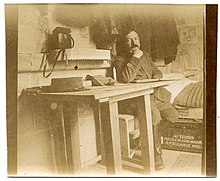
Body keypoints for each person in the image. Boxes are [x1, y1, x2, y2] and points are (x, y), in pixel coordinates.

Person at [114, 30, 179, 170]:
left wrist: (154, 77)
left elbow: (157, 72)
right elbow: (126, 78)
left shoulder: (146, 56)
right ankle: (156, 156)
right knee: (154, 115)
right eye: (129, 40)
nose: (134, 42)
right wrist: (135, 57)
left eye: (136, 38)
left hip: (152, 97)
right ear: (124, 44)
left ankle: (144, 138)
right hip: (134, 101)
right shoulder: (120, 59)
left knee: (173, 114)